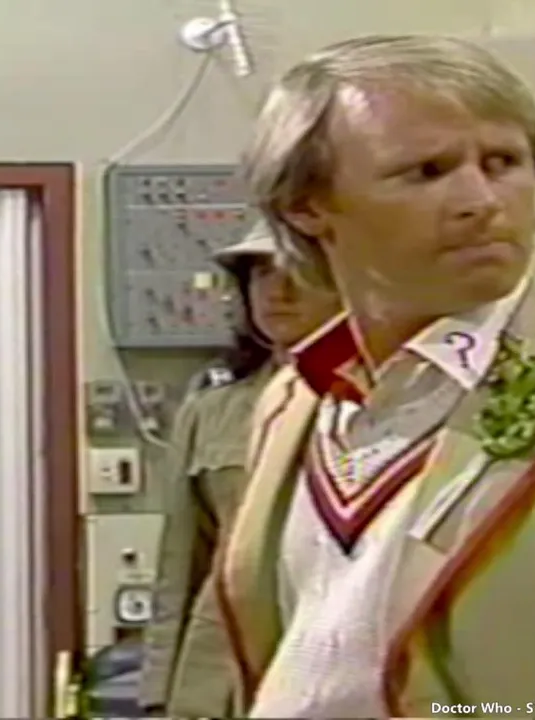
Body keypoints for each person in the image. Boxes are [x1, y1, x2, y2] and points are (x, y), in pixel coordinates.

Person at [215, 34, 535, 718]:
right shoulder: (293, 400)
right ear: (306, 205)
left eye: (504, 163)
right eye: (427, 171)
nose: (480, 200)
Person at [138, 221, 340, 718]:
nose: (278, 291)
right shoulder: (212, 410)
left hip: (332, 662)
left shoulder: (380, 402)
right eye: (261, 273)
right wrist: (158, 694)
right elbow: (181, 565)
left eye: (297, 268)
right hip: (219, 675)